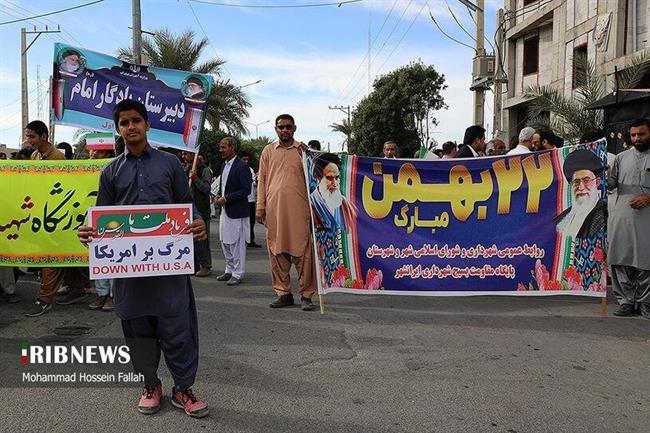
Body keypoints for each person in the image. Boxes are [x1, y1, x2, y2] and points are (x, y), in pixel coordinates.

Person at [77, 99, 209, 417]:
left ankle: (183, 389)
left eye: (137, 120)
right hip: (130, 274)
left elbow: (186, 205)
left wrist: (199, 221)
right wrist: (87, 231)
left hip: (168, 269)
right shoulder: (110, 172)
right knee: (138, 332)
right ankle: (150, 384)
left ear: (148, 124)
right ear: (118, 129)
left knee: (178, 330)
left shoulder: (169, 165)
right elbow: (102, 217)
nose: (131, 126)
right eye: (124, 122)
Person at [257, 114, 317, 311]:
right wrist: (260, 206)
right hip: (274, 211)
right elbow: (262, 181)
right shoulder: (268, 151)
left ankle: (306, 295)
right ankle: (283, 293)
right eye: (281, 127)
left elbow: (317, 179)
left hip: (299, 211)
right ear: (276, 129)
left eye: (288, 127)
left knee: (303, 253)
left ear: (294, 128)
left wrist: (310, 157)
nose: (284, 130)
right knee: (277, 251)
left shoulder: (302, 151)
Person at [607, 118, 650, 318]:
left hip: (646, 219)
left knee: (645, 261)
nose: (637, 138)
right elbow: (610, 185)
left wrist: (648, 197)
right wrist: (600, 173)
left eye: (641, 134)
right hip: (622, 217)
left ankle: (645, 302)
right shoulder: (621, 158)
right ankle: (625, 301)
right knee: (620, 259)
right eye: (633, 135)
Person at [310, 153, 357, 286]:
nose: (335, 183)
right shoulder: (312, 204)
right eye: (329, 178)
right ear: (318, 177)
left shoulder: (345, 204)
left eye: (337, 178)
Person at [213, 137, 252, 286]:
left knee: (237, 244)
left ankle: (238, 273)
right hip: (225, 211)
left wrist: (227, 198)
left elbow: (246, 190)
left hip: (236, 212)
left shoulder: (242, 166)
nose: (220, 150)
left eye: (223, 147)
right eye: (220, 147)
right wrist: (218, 197)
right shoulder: (224, 165)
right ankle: (229, 269)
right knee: (225, 241)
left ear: (232, 148)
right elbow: (223, 186)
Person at [86, 148, 116, 311]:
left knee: (114, 257)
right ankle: (101, 294)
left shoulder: (116, 167)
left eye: (97, 151)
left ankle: (113, 295)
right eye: (91, 150)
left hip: (114, 217)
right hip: (94, 215)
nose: (92, 153)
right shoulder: (83, 168)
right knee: (99, 256)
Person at [554, 150, 607, 239]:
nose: (581, 187)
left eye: (586, 180)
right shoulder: (561, 219)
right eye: (576, 182)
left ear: (597, 182)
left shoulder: (605, 213)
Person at [182, 151, 213, 277]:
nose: (184, 156)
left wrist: (196, 179)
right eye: (182, 154)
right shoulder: (187, 168)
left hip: (201, 210)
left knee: (202, 240)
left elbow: (206, 189)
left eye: (186, 153)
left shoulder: (204, 170)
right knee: (191, 240)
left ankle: (206, 266)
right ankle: (194, 265)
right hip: (189, 210)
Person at [239, 151, 261, 248]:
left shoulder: (251, 170)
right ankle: (242, 240)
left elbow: (255, 183)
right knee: (242, 222)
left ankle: (251, 239)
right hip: (243, 200)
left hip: (251, 200)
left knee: (251, 221)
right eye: (244, 159)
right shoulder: (238, 169)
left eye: (247, 159)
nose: (246, 161)